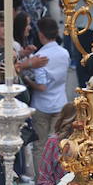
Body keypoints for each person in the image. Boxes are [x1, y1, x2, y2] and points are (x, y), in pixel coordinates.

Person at [21, 17, 71, 149]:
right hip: (60, 102)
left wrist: (26, 79)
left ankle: (42, 171)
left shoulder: (40, 56)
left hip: (41, 105)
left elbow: (42, 86)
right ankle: (56, 170)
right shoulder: (64, 53)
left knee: (40, 146)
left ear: (41, 35)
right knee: (57, 144)